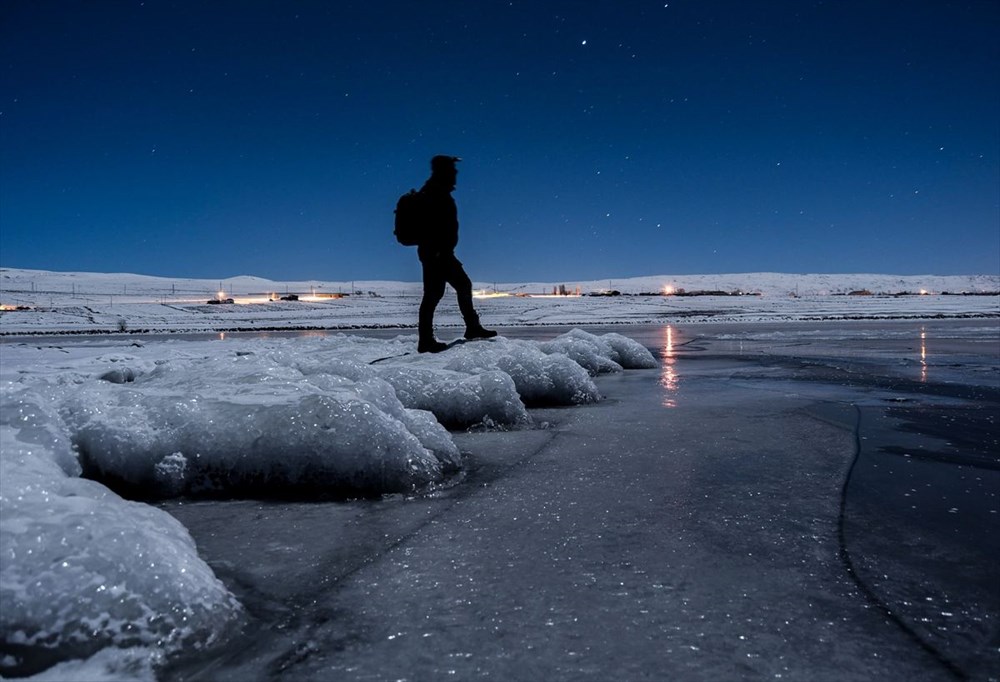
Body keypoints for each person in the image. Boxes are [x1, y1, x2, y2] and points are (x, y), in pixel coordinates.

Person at [415, 155, 497, 353]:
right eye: (452, 169)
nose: (456, 173)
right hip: (436, 253)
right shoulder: (434, 192)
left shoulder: (437, 190)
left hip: (440, 252)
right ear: (444, 170)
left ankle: (470, 328)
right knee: (436, 294)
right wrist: (436, 250)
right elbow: (433, 225)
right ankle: (428, 340)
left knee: (444, 291)